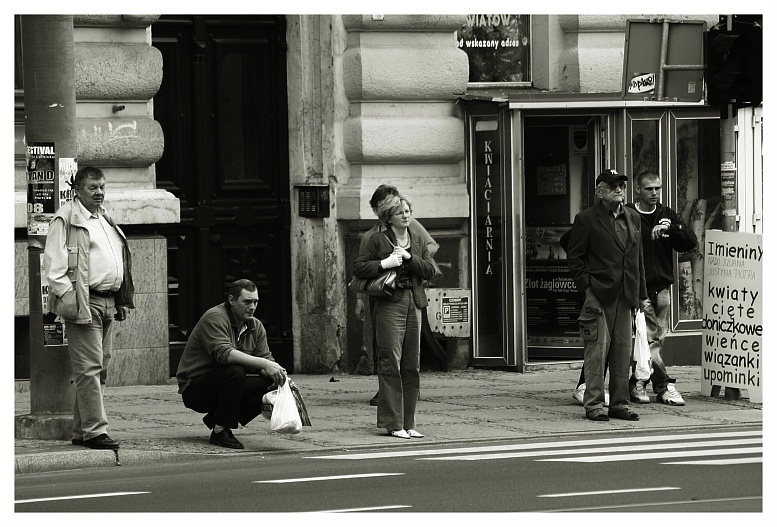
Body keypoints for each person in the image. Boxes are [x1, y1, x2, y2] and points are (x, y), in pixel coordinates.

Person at [43, 166, 135, 450]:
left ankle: (82, 431)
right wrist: (71, 299)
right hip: (85, 301)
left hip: (107, 301)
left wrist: (120, 299)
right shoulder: (66, 219)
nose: (100, 192)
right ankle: (96, 431)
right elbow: (53, 268)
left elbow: (117, 259)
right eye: (93, 187)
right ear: (78, 190)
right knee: (89, 368)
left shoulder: (103, 218)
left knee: (99, 368)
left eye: (102, 187)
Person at [566, 169, 649, 422]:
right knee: (597, 353)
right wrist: (587, 289)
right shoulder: (587, 219)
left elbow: (638, 259)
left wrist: (642, 295)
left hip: (626, 295)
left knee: (622, 353)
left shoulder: (633, 217)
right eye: (612, 186)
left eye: (621, 185)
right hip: (599, 295)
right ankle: (594, 405)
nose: (618, 190)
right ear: (599, 191)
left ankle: (619, 404)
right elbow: (574, 258)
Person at [353, 194, 437, 438]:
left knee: (412, 364)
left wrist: (411, 259)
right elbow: (358, 268)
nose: (406, 215)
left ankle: (409, 423)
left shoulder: (417, 238)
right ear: (388, 217)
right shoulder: (375, 239)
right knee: (390, 362)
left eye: (408, 211)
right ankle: (393, 423)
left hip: (415, 302)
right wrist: (384, 263)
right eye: (401, 212)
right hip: (389, 303)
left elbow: (430, 271)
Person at [176, 279, 287, 449]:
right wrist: (265, 363)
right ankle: (221, 431)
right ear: (232, 300)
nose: (252, 307)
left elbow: (266, 360)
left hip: (225, 386)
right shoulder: (214, 317)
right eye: (247, 301)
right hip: (196, 389)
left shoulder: (256, 326)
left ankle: (217, 419)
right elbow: (224, 354)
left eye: (255, 301)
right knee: (235, 370)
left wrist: (278, 375)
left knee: (270, 384)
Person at [626, 170, 697, 405]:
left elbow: (690, 241)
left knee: (656, 339)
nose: (655, 193)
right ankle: (663, 386)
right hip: (640, 288)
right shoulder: (629, 214)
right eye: (649, 188)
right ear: (638, 189)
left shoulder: (667, 215)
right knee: (650, 338)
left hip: (663, 288)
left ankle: (639, 383)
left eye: (658, 188)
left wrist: (672, 229)